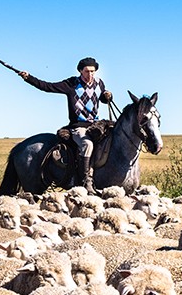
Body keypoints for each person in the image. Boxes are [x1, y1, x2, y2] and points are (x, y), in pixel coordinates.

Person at [18, 57, 113, 193]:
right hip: (78, 126)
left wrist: (107, 95)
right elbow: (47, 87)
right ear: (80, 71)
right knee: (87, 144)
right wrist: (29, 78)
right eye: (87, 71)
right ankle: (86, 181)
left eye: (93, 71)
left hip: (96, 124)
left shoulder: (99, 83)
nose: (90, 75)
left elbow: (102, 97)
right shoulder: (72, 83)